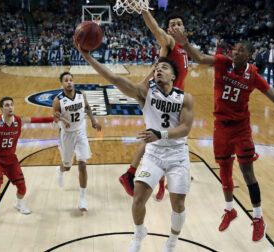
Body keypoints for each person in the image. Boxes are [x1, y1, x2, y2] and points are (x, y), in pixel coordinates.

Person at [169, 28, 274, 242]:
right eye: (235, 50)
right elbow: (198, 57)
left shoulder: (253, 75)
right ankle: (230, 210)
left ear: (249, 55)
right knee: (224, 172)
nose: (235, 53)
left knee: (247, 172)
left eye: (240, 51)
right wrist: (185, 43)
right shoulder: (222, 62)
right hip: (220, 127)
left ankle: (258, 218)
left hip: (241, 128)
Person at [77, 42, 194, 252]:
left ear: (173, 76)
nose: (158, 70)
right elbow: (114, 79)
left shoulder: (185, 98)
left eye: (164, 68)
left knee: (178, 205)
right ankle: (139, 233)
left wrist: (161, 134)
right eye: (156, 68)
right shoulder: (144, 92)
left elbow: (185, 129)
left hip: (177, 154)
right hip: (154, 153)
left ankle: (172, 242)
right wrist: (88, 57)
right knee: (138, 199)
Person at [119, 11, 189, 201]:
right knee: (157, 138)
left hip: (175, 100)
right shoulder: (170, 42)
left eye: (179, 24)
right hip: (164, 99)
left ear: (184, 29)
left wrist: (143, 80)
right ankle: (133, 174)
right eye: (172, 24)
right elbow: (155, 29)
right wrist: (143, 9)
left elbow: (158, 63)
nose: (175, 26)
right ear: (168, 30)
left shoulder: (183, 49)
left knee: (164, 140)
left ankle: (152, 176)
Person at [0, 97, 65, 226]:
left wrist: (54, 118)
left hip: (11, 159)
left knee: (22, 188)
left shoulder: (19, 120)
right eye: (7, 105)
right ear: (2, 109)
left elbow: (37, 120)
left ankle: (18, 204)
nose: (10, 107)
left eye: (11, 105)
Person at [53, 71, 102, 211]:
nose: (69, 82)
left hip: (81, 132)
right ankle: (60, 170)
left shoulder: (81, 95)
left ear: (73, 82)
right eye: (66, 80)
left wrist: (93, 121)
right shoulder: (58, 100)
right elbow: (55, 117)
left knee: (82, 164)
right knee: (67, 166)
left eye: (70, 80)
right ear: (62, 84)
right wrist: (62, 119)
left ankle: (82, 199)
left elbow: (86, 108)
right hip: (66, 135)